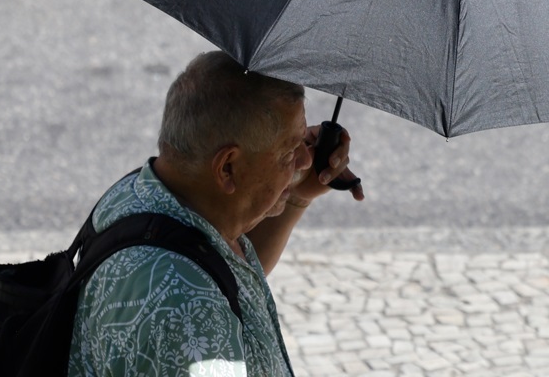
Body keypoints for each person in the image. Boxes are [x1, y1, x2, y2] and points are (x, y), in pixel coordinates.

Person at [67, 51, 364, 376]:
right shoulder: (191, 320)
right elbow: (197, 293)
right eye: (288, 152)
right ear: (227, 168)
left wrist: (294, 196)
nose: (305, 161)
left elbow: (226, 276)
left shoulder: (142, 195)